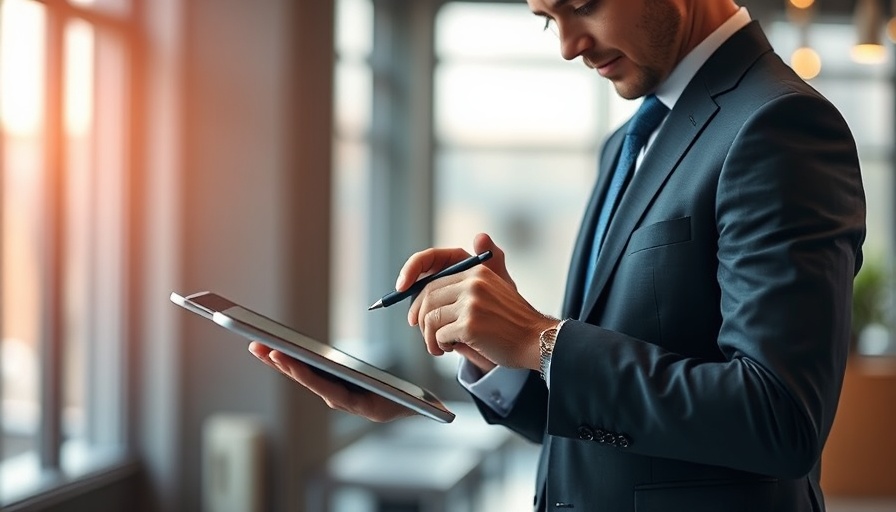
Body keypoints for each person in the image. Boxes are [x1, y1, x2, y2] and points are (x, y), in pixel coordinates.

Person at [250, 0, 867, 510]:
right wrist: (499, 352)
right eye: (548, 18)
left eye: (581, 6)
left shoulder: (780, 125)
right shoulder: (627, 142)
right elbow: (597, 427)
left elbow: (780, 421)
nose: (569, 45)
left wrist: (541, 338)